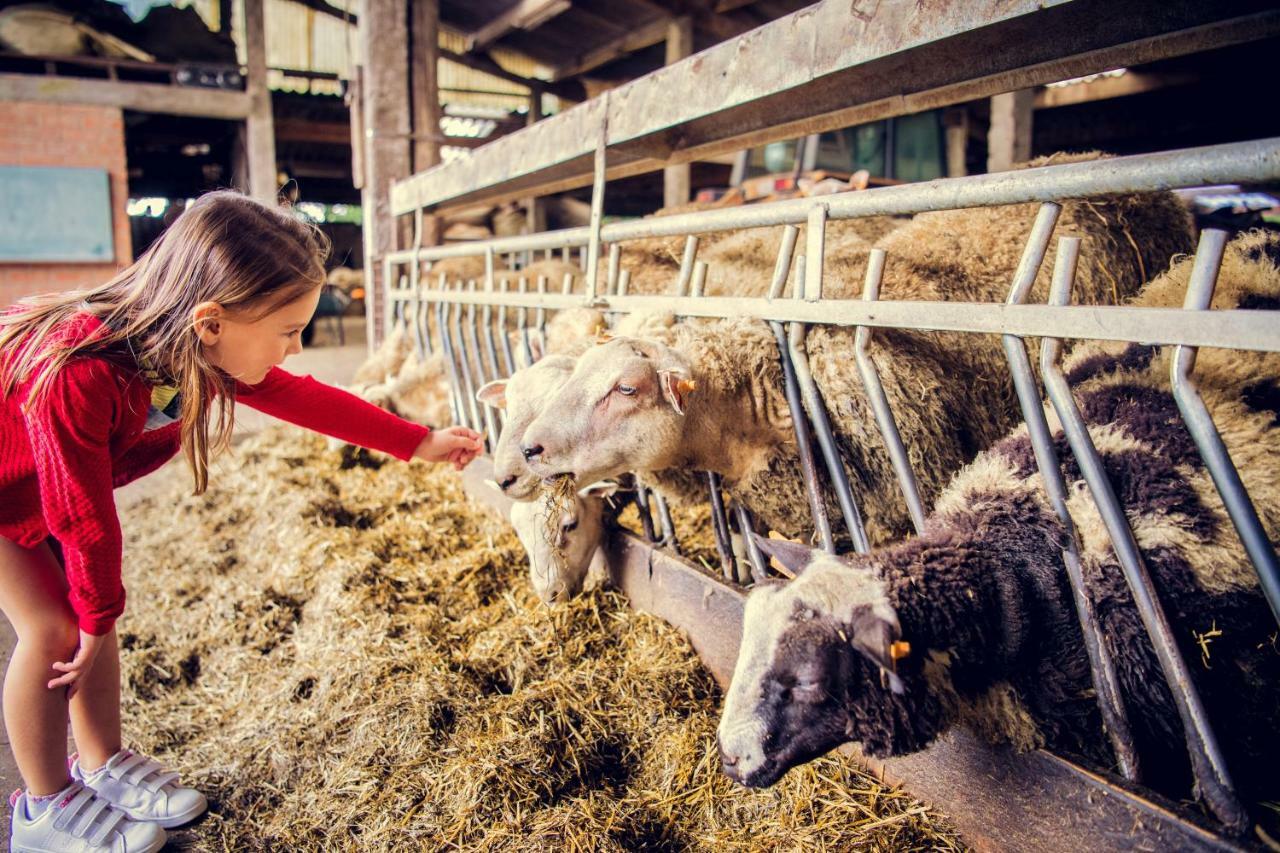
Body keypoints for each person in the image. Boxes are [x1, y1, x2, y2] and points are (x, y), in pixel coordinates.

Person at [0, 191, 484, 852]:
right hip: (9, 491)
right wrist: (96, 608)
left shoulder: (187, 348)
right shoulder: (81, 374)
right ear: (211, 320)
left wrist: (415, 440)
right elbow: (82, 518)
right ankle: (43, 808)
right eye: (287, 331)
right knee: (56, 626)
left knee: (93, 616)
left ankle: (102, 762)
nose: (293, 348)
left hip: (40, 482)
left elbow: (302, 397)